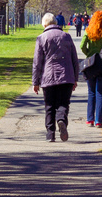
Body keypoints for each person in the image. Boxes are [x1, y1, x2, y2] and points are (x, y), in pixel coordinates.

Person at [32, 12, 79, 142]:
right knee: (64, 103)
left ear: (45, 24)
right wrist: (75, 78)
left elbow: (37, 62)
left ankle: (50, 134)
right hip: (66, 76)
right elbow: (74, 59)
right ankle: (61, 119)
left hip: (48, 77)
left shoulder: (41, 38)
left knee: (49, 106)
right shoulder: (67, 36)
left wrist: (35, 82)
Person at [80, 10, 102, 128]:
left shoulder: (88, 32)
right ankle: (98, 121)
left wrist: (89, 53)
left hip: (91, 65)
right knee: (101, 93)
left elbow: (82, 46)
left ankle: (89, 119)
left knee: (91, 92)